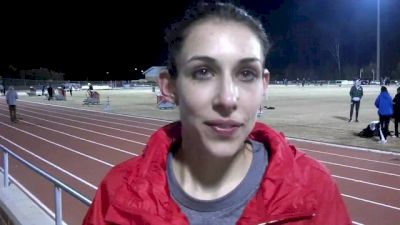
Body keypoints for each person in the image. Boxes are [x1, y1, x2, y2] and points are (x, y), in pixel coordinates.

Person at [83, 2, 350, 225]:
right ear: (170, 87)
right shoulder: (117, 194)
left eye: (246, 74)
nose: (227, 99)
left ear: (263, 86)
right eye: (203, 72)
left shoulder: (315, 189)